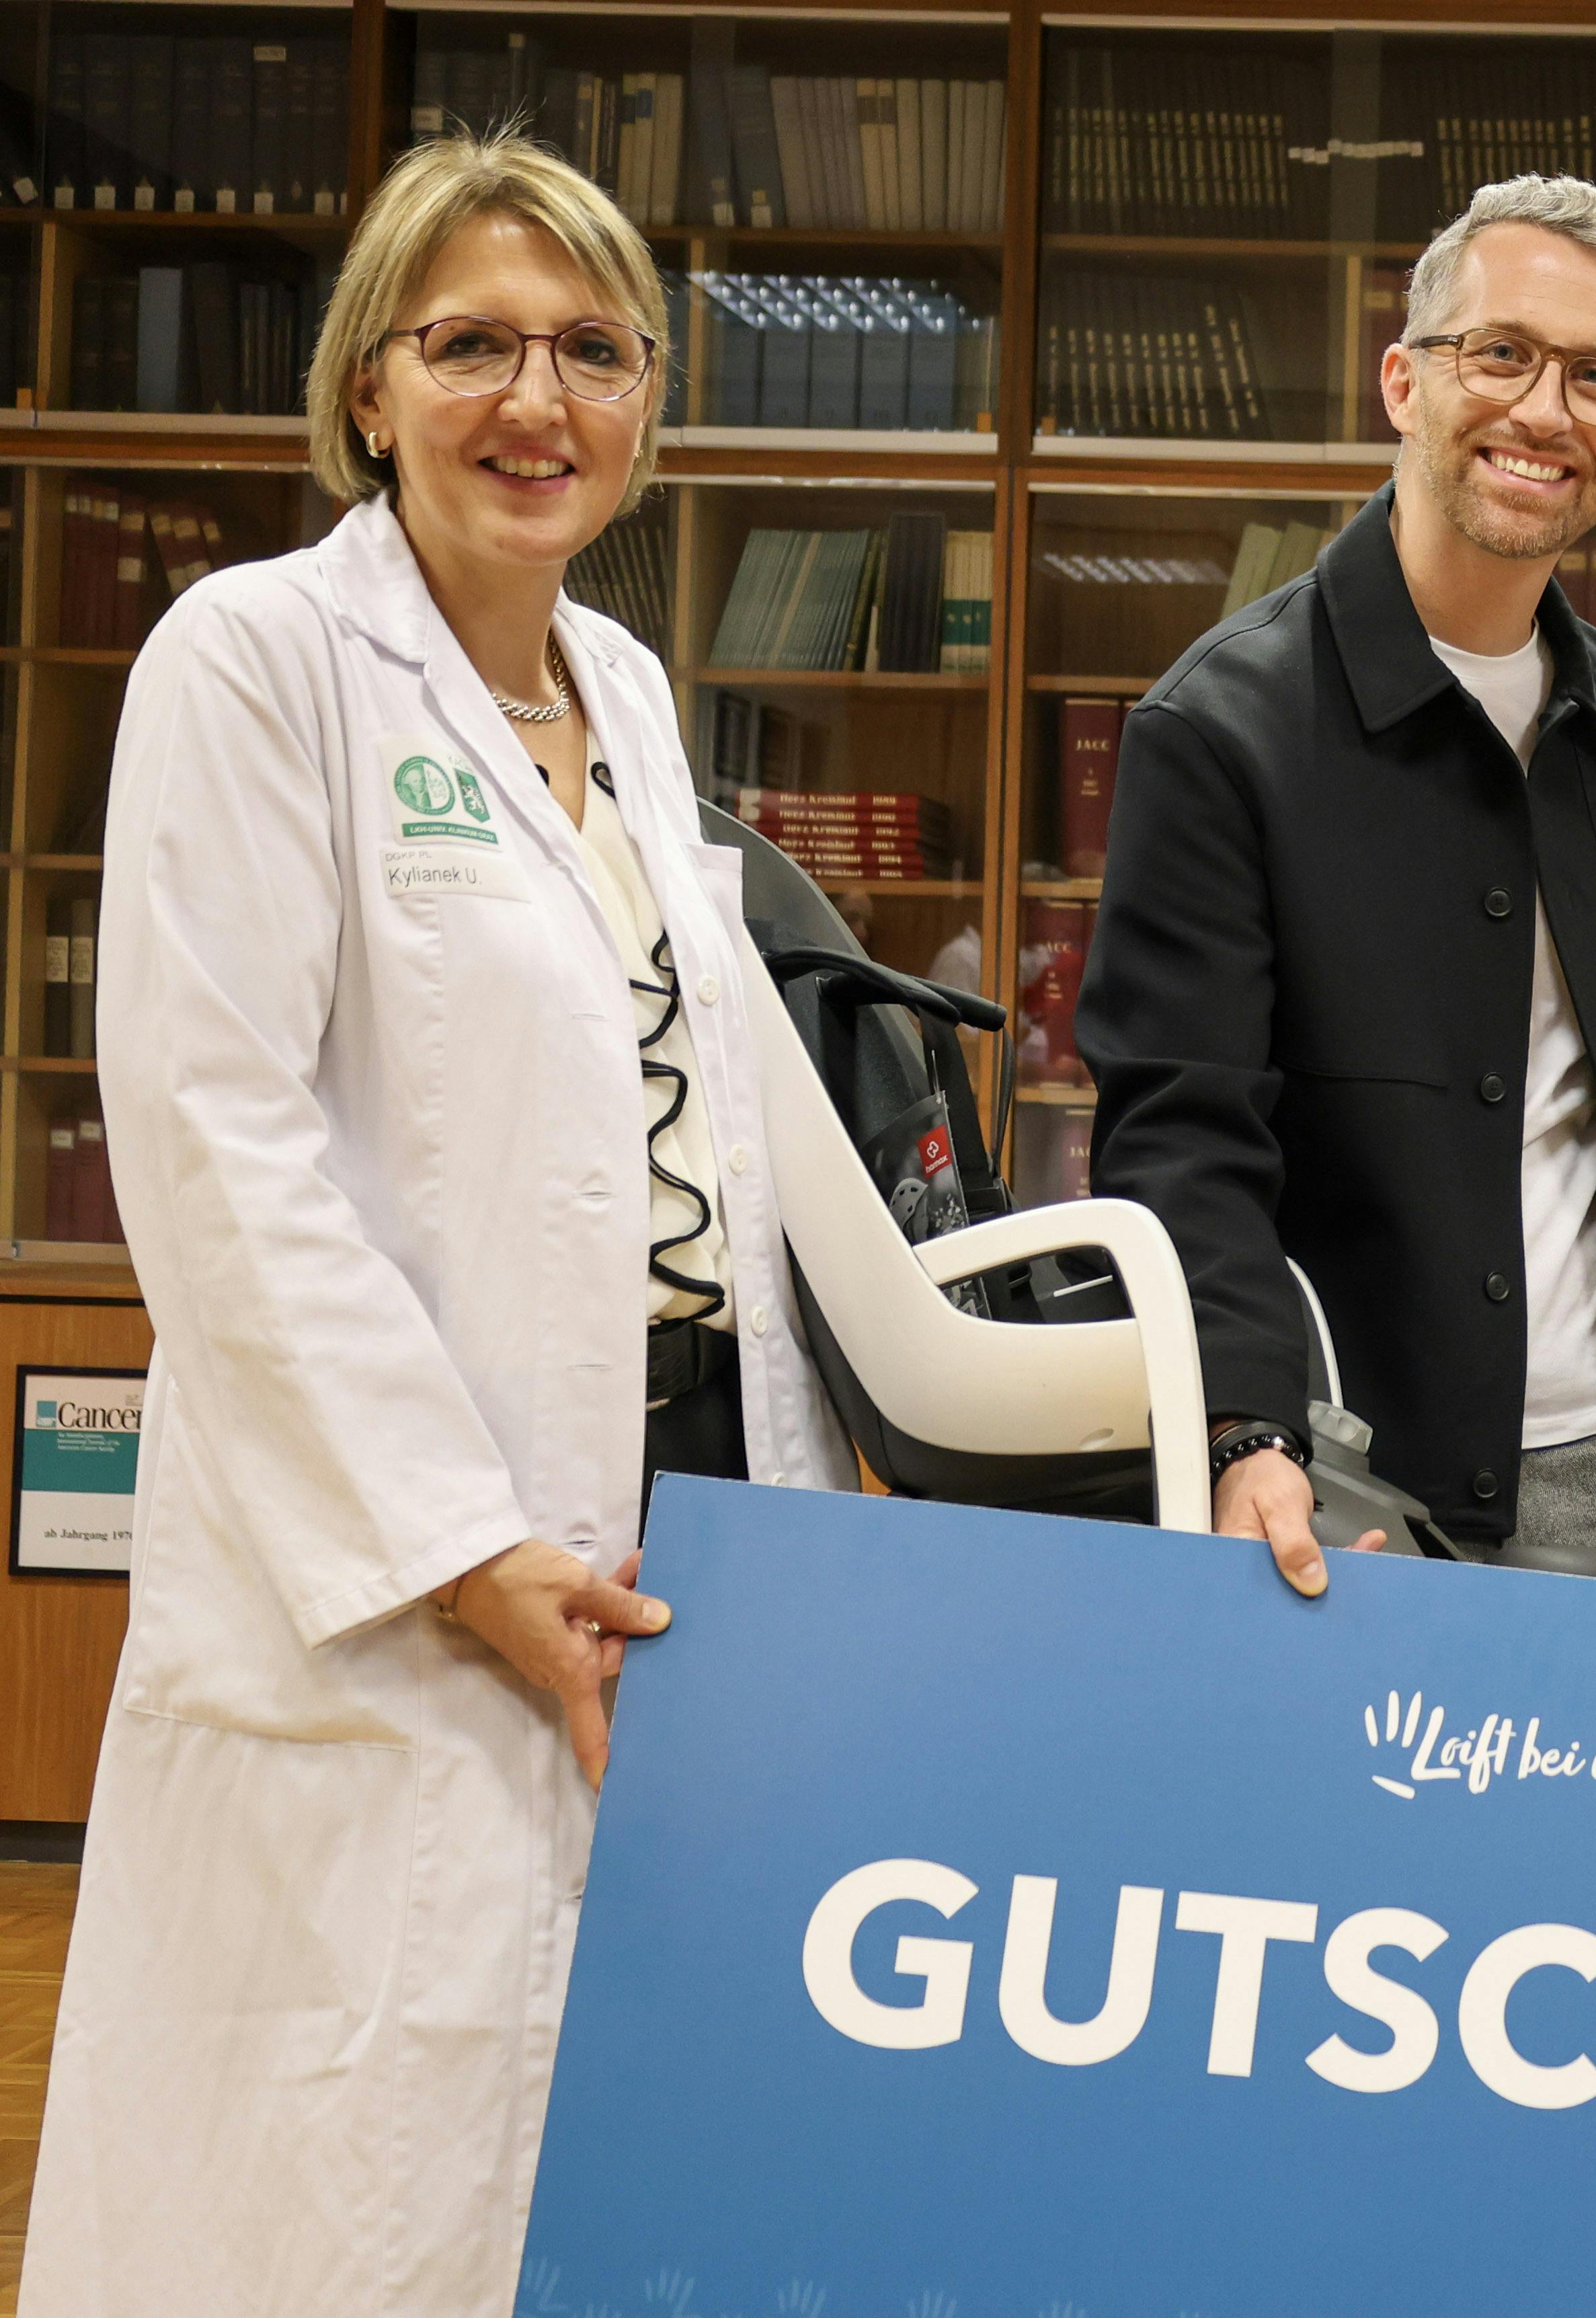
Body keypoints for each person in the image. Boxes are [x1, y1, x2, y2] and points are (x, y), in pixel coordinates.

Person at [24, 132, 848, 2316]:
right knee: (334, 2180)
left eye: (593, 350)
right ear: (366, 387)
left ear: (650, 410)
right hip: (388, 1565)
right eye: (470, 342)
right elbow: (217, 1145)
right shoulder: (257, 658)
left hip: (659, 1518)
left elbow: (701, 1143)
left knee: (587, 2153)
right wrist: (465, 1546)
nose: (535, 401)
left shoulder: (639, 699)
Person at [1080, 174, 1596, 1593]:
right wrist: (1244, 1434)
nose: (1541, 409)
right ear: (1404, 380)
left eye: (1593, 378)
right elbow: (1183, 1139)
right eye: (1499, 353)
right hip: (1334, 1485)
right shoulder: (1220, 728)